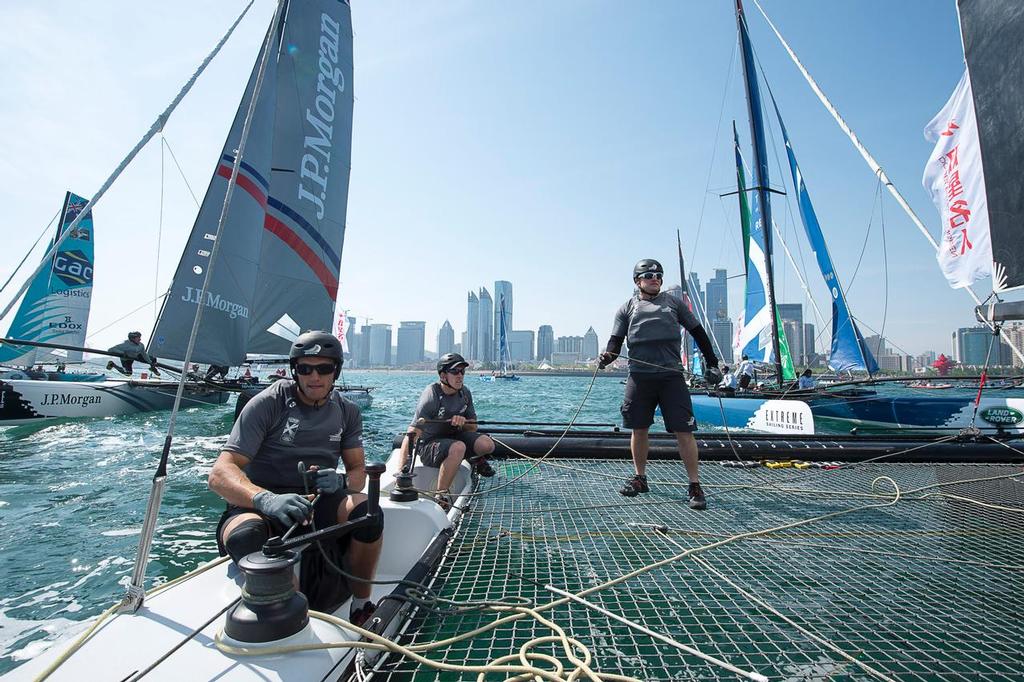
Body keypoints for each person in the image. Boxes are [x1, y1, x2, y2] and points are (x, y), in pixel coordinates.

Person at [208, 330, 383, 626]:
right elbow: (220, 473)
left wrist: (341, 482)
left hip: (316, 503)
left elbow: (357, 472)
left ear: (336, 371)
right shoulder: (269, 402)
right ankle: (296, 622)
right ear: (295, 371)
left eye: (324, 368)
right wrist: (265, 499)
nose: (314, 376)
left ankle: (361, 604)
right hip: (258, 504)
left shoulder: (347, 411)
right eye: (305, 368)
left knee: (368, 514)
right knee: (245, 536)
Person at [598, 259, 722, 510]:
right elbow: (615, 343)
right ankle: (640, 478)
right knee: (638, 429)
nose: (655, 278)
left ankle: (694, 485)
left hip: (671, 378)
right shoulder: (627, 308)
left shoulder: (674, 303)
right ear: (637, 281)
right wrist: (607, 357)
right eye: (649, 275)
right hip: (639, 377)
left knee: (684, 432)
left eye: (659, 275)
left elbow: (699, 333)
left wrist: (712, 364)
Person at [400, 352, 496, 510]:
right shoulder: (431, 396)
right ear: (443, 376)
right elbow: (411, 434)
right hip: (430, 446)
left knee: (487, 445)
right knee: (459, 447)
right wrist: (401, 473)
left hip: (455, 438)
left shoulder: (465, 393)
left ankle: (473, 460)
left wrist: (462, 423)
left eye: (462, 371)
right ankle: (441, 495)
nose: (460, 376)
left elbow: (473, 427)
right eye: (455, 372)